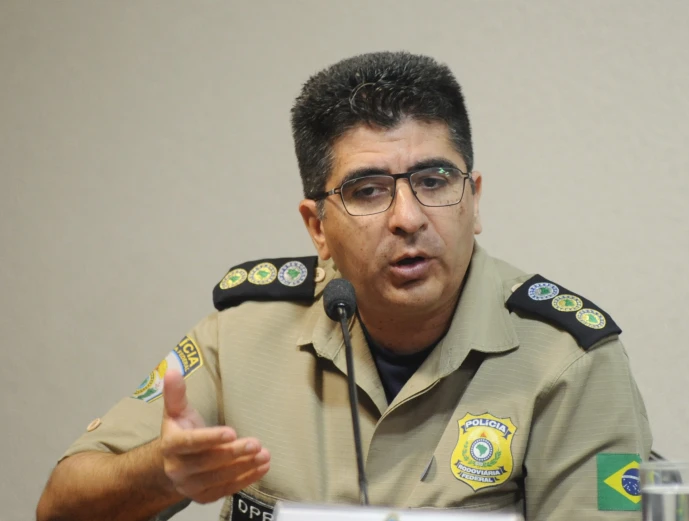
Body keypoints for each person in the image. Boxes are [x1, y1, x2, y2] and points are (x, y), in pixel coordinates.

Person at [36, 51, 652, 521]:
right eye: (367, 191)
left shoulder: (569, 362)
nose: (408, 216)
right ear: (317, 228)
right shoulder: (244, 333)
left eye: (435, 180)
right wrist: (166, 472)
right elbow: (59, 504)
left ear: (475, 200)